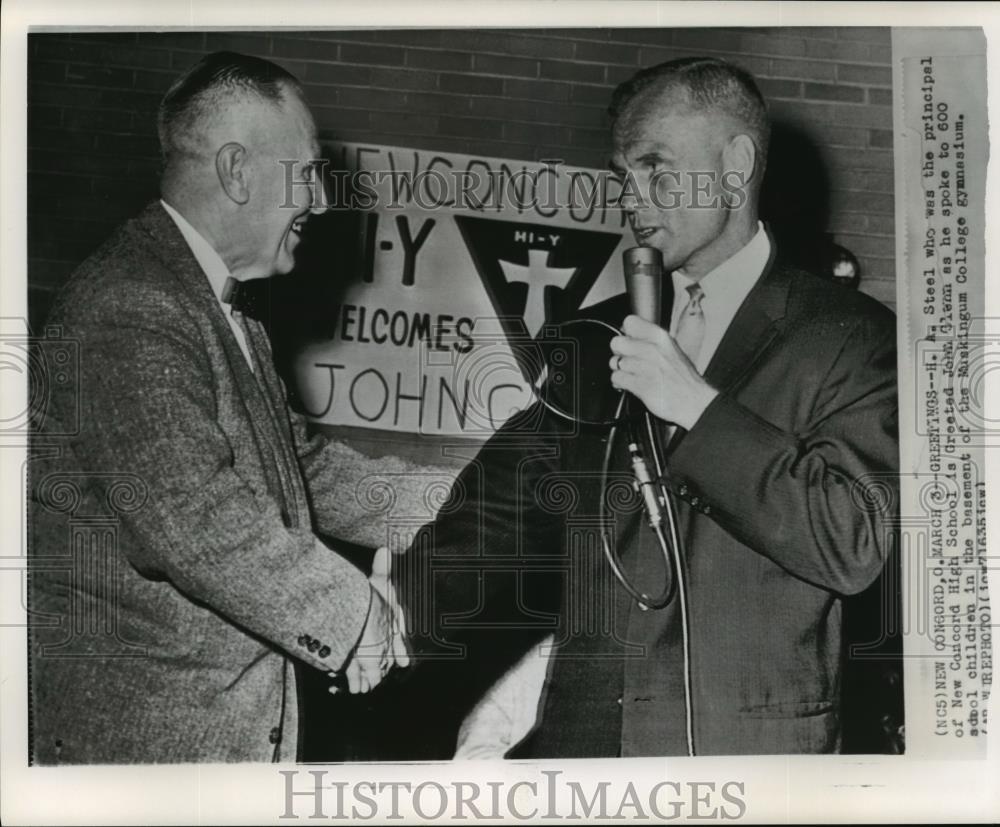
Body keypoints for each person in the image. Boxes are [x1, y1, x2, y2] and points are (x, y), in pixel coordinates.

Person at [391, 56, 899, 757]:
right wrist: (392, 611)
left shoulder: (850, 336)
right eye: (621, 176)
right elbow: (500, 509)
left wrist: (697, 405)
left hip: (747, 761)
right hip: (586, 751)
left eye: (656, 170)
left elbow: (855, 539)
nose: (632, 198)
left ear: (735, 165)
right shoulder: (592, 336)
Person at [27, 52, 410, 764]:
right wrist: (356, 614)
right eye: (307, 173)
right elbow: (190, 513)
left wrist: (454, 502)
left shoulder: (214, 304)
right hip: (145, 748)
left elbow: (299, 464)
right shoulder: (133, 305)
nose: (320, 202)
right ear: (237, 172)